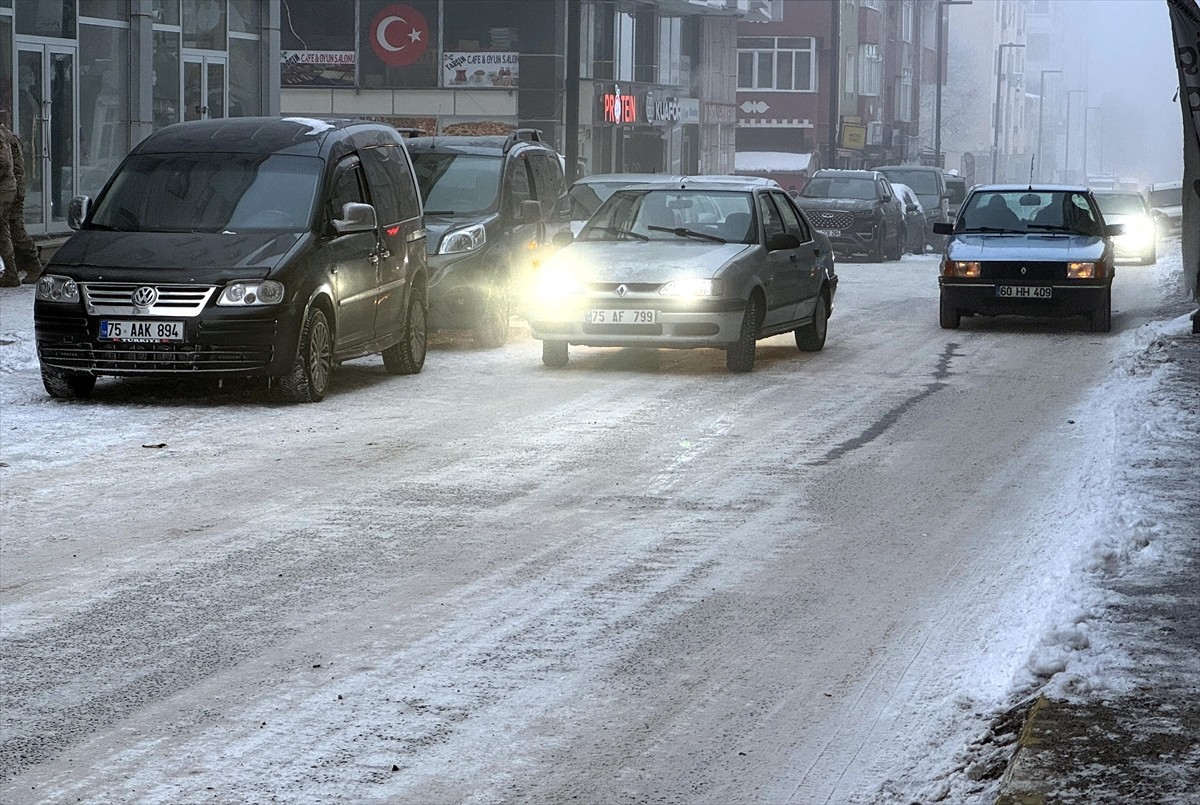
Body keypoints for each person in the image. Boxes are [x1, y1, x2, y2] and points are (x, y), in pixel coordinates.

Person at [0, 123, 42, 286]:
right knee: (8, 229)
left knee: (15, 229)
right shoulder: (8, 135)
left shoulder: (6, 137)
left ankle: (33, 267)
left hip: (11, 190)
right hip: (13, 189)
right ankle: (17, 269)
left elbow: (8, 166)